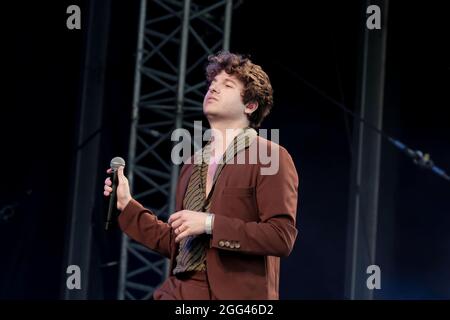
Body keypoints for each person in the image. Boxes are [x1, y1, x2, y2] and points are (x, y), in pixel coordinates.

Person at [103, 51, 299, 300]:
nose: (214, 89)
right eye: (213, 83)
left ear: (250, 105)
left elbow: (280, 237)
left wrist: (210, 224)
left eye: (227, 85)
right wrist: (126, 205)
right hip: (178, 290)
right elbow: (178, 243)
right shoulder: (193, 163)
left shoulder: (271, 156)